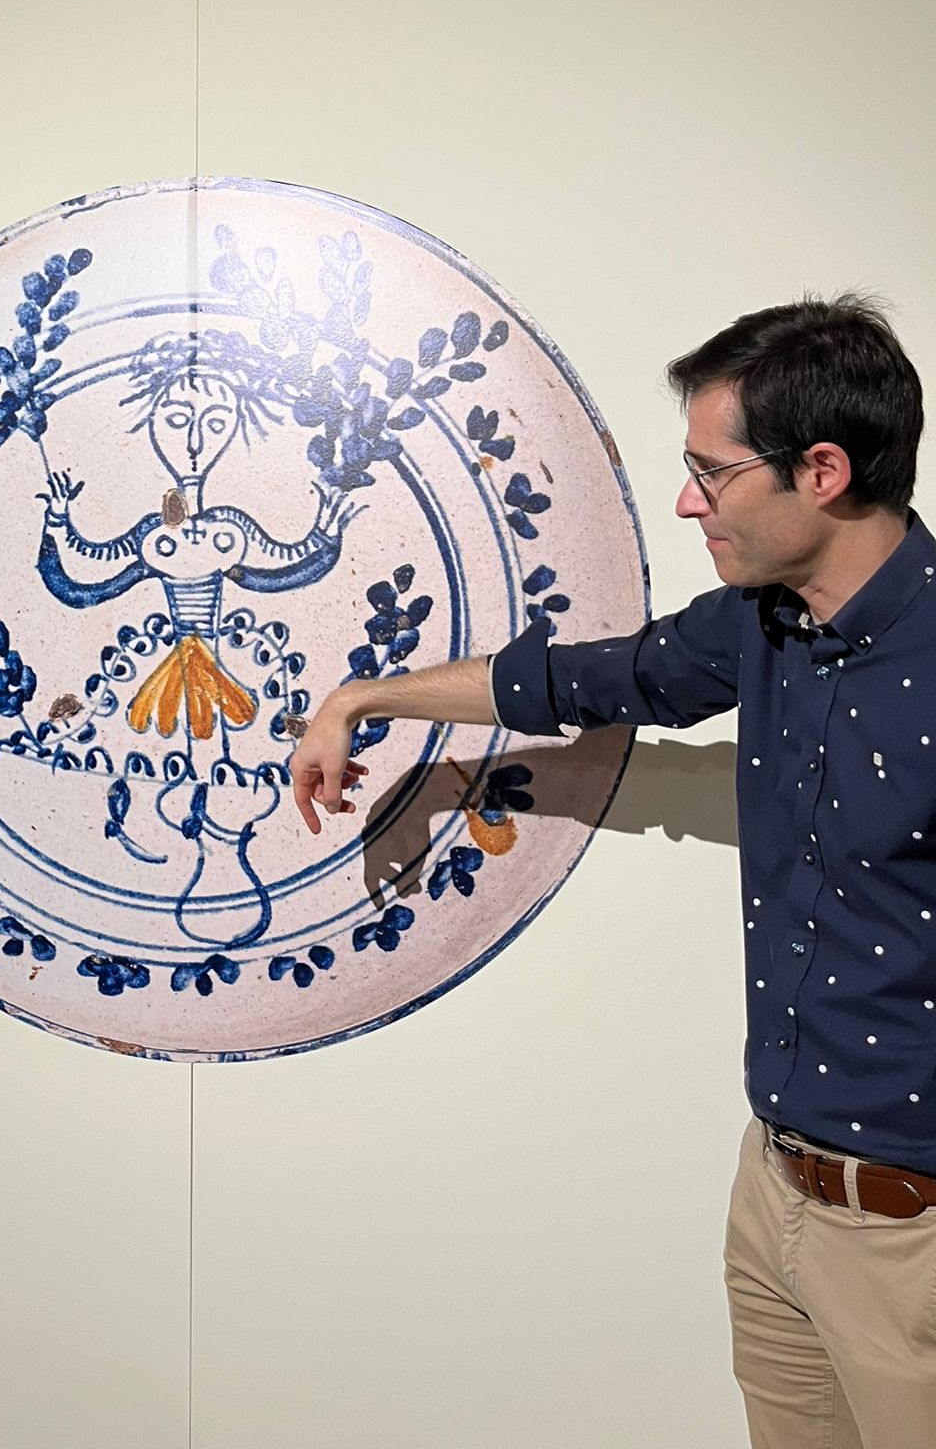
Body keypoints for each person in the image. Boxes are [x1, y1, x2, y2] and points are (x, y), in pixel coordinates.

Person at [291, 294, 935, 1449]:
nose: (688, 500)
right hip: (774, 1198)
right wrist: (363, 698)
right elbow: (582, 678)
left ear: (823, 470)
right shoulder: (763, 625)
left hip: (913, 1240)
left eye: (712, 471)